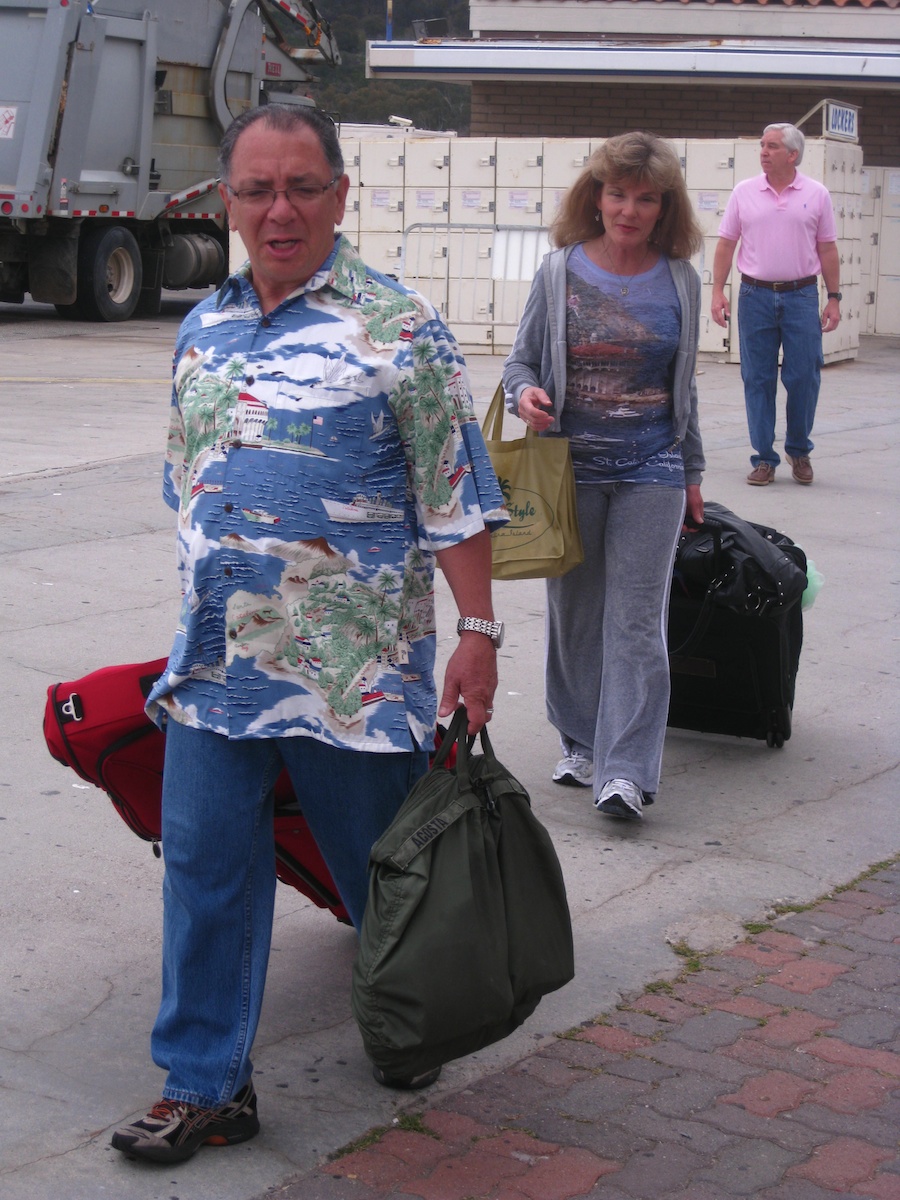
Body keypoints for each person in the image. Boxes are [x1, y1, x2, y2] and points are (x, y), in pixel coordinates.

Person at [110, 104, 507, 1165]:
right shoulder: (204, 327)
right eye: (256, 190)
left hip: (353, 674)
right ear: (227, 202)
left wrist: (477, 633)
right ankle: (205, 1083)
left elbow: (455, 494)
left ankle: (409, 1019)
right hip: (214, 668)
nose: (278, 210)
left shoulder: (400, 328)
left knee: (380, 872)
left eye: (300, 187)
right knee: (202, 868)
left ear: (340, 192)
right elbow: (189, 485)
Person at [502, 131, 705, 823]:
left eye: (645, 199)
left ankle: (626, 771)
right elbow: (519, 365)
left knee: (638, 621)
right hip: (570, 468)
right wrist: (525, 398)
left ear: (663, 208)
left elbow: (686, 385)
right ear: (595, 196)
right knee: (577, 613)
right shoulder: (559, 271)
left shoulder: (680, 278)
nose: (629, 209)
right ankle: (581, 739)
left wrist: (694, 471)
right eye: (617, 194)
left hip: (654, 467)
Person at [711, 122, 841, 486]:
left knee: (804, 377)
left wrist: (833, 298)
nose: (763, 152)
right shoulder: (744, 192)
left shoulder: (816, 194)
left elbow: (827, 248)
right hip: (755, 297)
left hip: (801, 296)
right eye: (762, 146)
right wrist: (718, 290)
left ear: (792, 154)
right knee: (758, 379)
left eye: (771, 146)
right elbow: (726, 243)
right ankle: (764, 458)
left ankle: (799, 450)